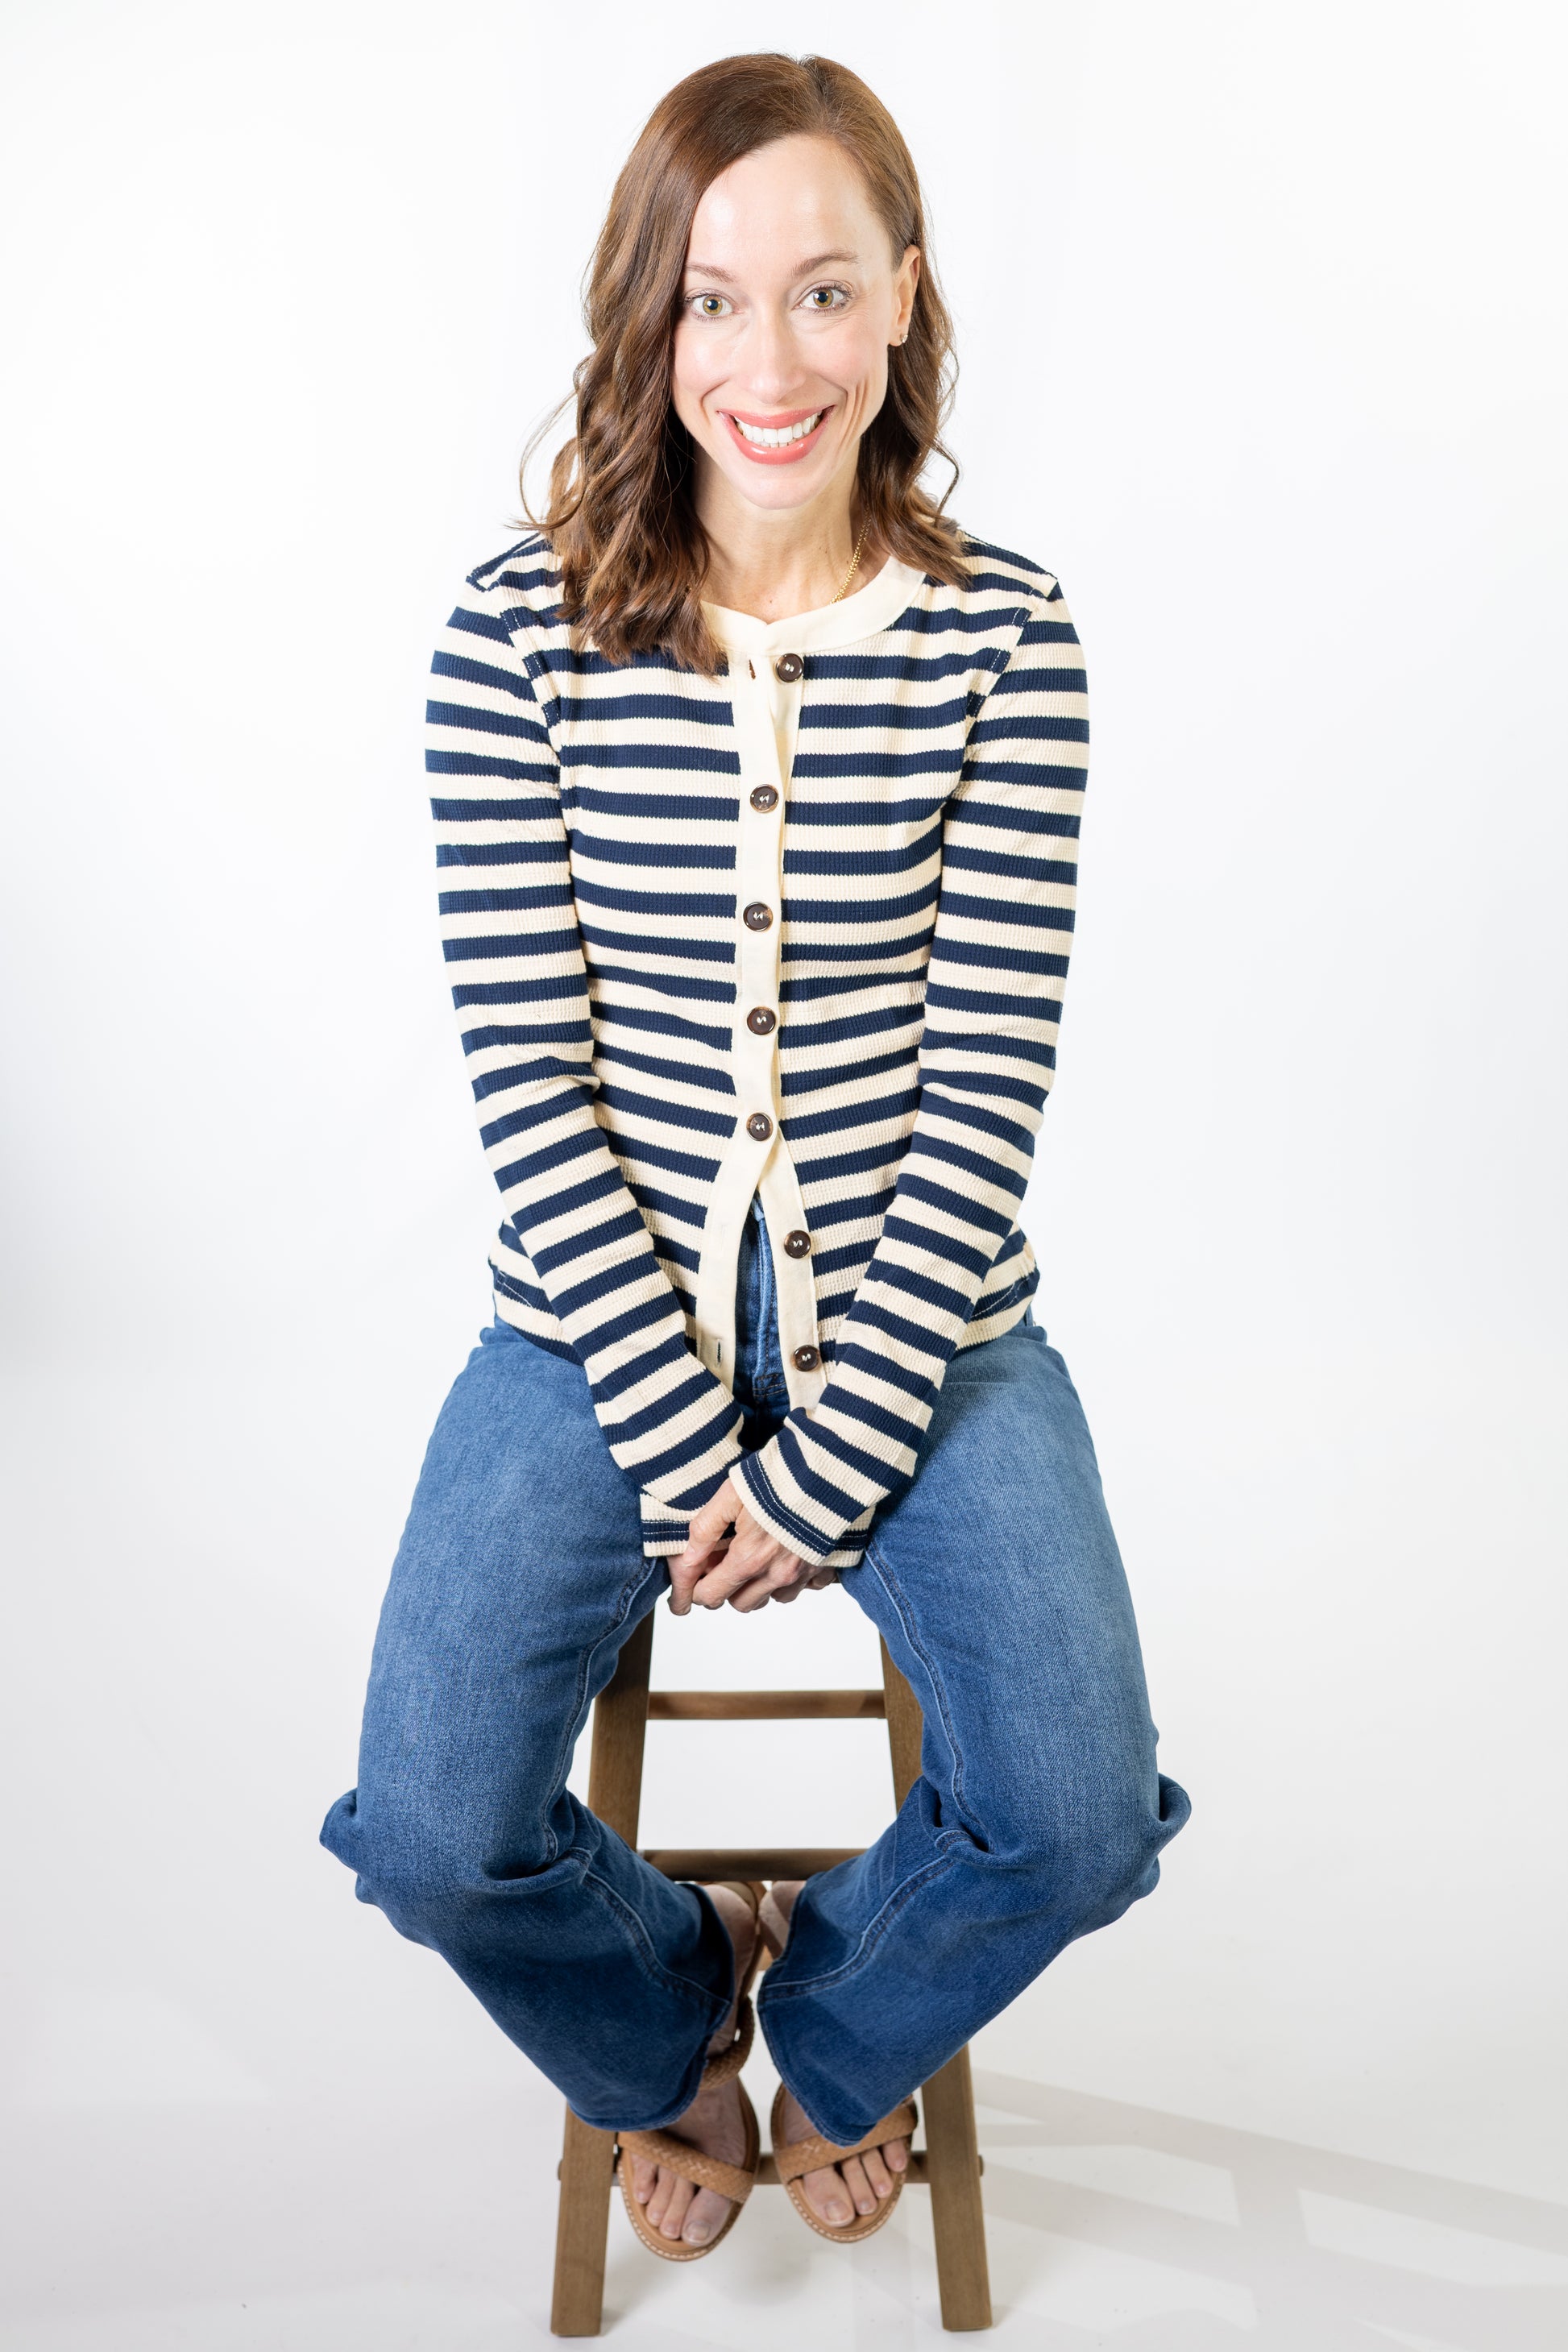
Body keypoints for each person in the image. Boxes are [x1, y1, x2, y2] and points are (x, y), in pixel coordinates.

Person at [321, 49, 1189, 2263]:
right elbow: (528, 1079)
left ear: (902, 296)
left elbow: (987, 1082)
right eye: (711, 298)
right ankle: (670, 2011)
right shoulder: (514, 634)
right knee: (427, 1833)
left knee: (1081, 1816)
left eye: (821, 290)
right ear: (648, 312)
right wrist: (676, 1419)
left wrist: (828, 1459)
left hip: (931, 1326)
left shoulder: (1007, 637)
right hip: (588, 1324)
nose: (769, 361)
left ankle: (833, 2010)